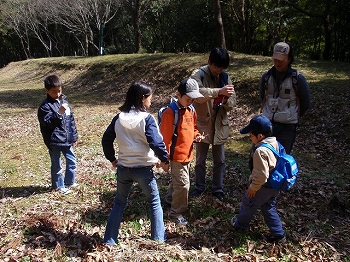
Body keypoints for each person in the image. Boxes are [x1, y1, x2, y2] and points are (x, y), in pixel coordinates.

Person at [101, 81, 169, 245]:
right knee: (153, 202)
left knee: (119, 203)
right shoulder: (146, 119)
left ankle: (109, 240)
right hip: (144, 169)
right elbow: (156, 142)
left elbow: (106, 140)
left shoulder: (118, 118)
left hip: (124, 168)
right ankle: (158, 240)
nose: (151, 102)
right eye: (150, 99)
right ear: (143, 98)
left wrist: (112, 159)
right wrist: (164, 159)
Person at [189, 47, 237, 201]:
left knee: (220, 160)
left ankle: (218, 188)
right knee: (200, 160)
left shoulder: (225, 77)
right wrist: (218, 92)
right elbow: (197, 95)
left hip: (219, 125)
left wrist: (226, 99)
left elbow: (233, 102)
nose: (219, 70)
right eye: (217, 66)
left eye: (222, 68)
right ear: (209, 62)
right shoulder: (198, 75)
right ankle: (199, 187)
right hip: (202, 124)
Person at [231, 115, 286, 243]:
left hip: (262, 186)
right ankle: (278, 234)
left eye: (251, 135)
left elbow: (261, 175)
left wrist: (253, 187)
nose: (250, 137)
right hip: (274, 185)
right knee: (268, 207)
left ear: (260, 136)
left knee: (248, 203)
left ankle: (240, 225)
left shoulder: (261, 151)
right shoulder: (275, 143)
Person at [160, 78, 205, 226]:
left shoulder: (191, 110)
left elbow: (193, 129)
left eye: (193, 99)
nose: (191, 101)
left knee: (178, 182)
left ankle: (170, 200)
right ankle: (175, 213)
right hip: (176, 156)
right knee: (183, 185)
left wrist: (197, 136)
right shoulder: (170, 113)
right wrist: (164, 160)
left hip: (188, 154)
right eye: (188, 98)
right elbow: (165, 139)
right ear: (178, 95)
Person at [260, 41, 310, 154]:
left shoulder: (298, 79)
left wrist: (291, 114)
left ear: (289, 59)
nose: (278, 63)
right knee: (261, 157)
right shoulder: (266, 77)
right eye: (275, 59)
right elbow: (262, 97)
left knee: (281, 160)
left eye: (281, 60)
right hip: (267, 123)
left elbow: (306, 103)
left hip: (287, 127)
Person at [37, 74, 78, 195]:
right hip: (54, 141)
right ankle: (59, 186)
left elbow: (71, 121)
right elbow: (47, 123)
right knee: (57, 164)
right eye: (54, 92)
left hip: (66, 139)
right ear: (47, 90)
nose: (58, 94)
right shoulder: (45, 107)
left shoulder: (64, 102)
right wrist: (59, 113)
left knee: (72, 161)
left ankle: (70, 182)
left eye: (59, 90)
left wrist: (74, 137)